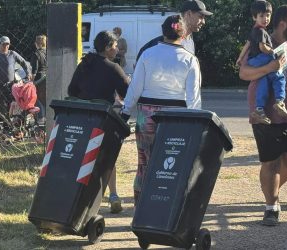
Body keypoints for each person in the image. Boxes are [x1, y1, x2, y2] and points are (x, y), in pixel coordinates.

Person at [239, 5, 287, 226]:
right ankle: (272, 206)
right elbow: (244, 73)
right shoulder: (261, 43)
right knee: (270, 162)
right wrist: (270, 67)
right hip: (266, 114)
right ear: (283, 23)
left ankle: (269, 187)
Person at [121, 14, 202, 205]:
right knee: (174, 162)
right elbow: (194, 97)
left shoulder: (147, 54)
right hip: (177, 116)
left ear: (162, 32)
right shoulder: (190, 59)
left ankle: (141, 206)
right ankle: (168, 204)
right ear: (182, 36)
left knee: (144, 163)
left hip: (147, 114)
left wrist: (125, 111)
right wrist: (196, 122)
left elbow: (135, 88)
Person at [68, 30, 130, 213]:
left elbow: (71, 90)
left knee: (81, 157)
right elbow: (127, 94)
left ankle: (77, 194)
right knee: (108, 157)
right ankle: (113, 195)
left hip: (82, 119)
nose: (117, 48)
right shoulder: (114, 68)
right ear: (108, 47)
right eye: (115, 45)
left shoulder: (84, 64)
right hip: (104, 120)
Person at [236, 1, 287, 125]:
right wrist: (274, 52)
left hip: (253, 61)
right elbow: (263, 47)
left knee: (262, 82)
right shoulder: (262, 32)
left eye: (268, 15)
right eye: (262, 16)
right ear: (254, 17)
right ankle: (280, 101)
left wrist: (240, 58)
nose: (265, 19)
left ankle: (259, 110)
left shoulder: (254, 30)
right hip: (261, 58)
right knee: (278, 75)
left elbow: (247, 45)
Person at [136, 0, 213, 61]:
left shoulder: (190, 40)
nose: (203, 22)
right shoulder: (159, 44)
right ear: (188, 14)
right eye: (200, 17)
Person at [0, 36, 32, 116]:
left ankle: (10, 121)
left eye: (7, 44)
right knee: (0, 103)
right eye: (4, 44)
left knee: (11, 103)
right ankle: (4, 119)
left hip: (11, 84)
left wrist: (28, 73)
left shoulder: (13, 54)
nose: (6, 46)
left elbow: (24, 63)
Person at [30, 35, 47, 122]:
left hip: (39, 78)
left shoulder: (36, 54)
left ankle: (40, 117)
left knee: (36, 98)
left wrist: (31, 81)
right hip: (47, 77)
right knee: (45, 99)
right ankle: (46, 117)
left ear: (36, 43)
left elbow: (34, 70)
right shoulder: (48, 52)